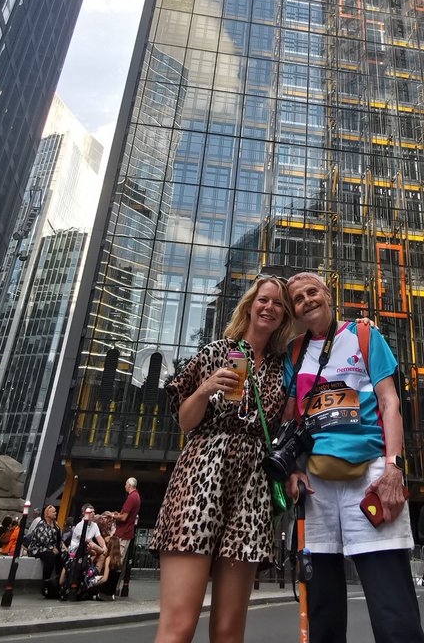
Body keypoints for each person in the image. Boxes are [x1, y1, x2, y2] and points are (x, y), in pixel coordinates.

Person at [285, 272, 424, 643]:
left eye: (312, 292)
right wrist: (292, 472)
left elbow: (389, 401)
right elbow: (288, 420)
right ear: (295, 312)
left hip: (370, 477)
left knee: (392, 607)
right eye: (298, 299)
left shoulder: (364, 335)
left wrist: (394, 467)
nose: (307, 301)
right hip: (317, 489)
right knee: (322, 610)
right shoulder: (295, 353)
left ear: (328, 295)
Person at [151, 275, 293, 643]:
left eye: (278, 304)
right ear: (250, 305)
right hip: (202, 478)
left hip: (251, 489)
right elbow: (185, 421)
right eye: (264, 300)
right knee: (179, 626)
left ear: (283, 316)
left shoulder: (283, 367)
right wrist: (204, 388)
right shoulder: (216, 351)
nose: (270, 307)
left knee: (229, 632)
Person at [25, 505, 65, 595]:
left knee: (62, 556)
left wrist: (62, 548)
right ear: (47, 514)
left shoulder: (56, 524)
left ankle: (59, 582)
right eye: (53, 512)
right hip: (38, 548)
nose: (56, 513)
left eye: (55, 511)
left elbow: (60, 539)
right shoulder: (41, 524)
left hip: (53, 548)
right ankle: (45, 582)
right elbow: (43, 540)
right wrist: (52, 548)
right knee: (49, 556)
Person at [111, 476, 140, 596]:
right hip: (127, 532)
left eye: (125, 484)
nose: (124, 486)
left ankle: (112, 586)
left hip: (123, 532)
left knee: (117, 559)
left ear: (129, 485)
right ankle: (116, 586)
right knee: (120, 560)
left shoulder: (131, 497)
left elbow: (123, 517)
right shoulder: (137, 497)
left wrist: (113, 515)